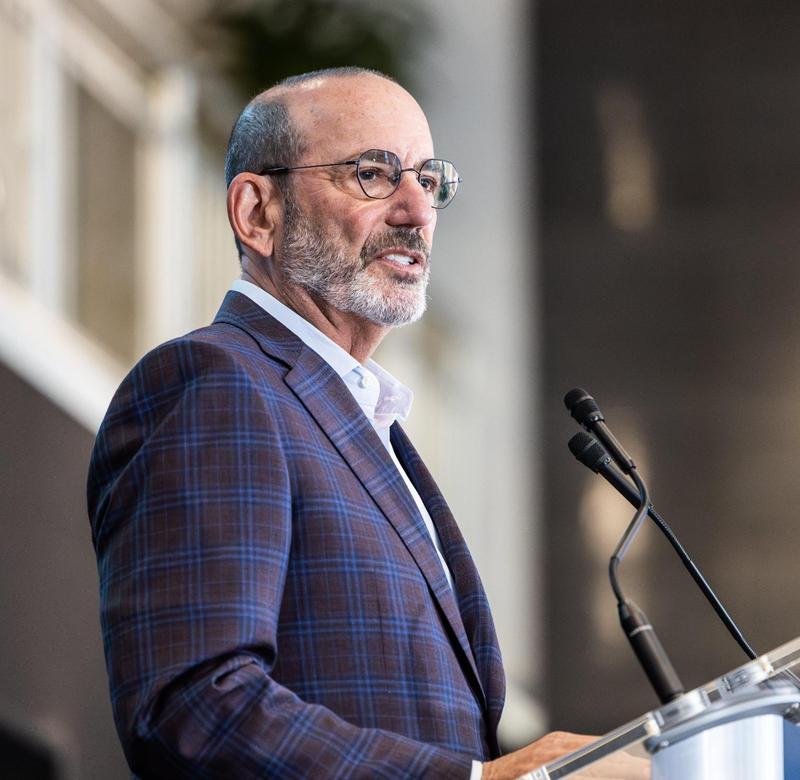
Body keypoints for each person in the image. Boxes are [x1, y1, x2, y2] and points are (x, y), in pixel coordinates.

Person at [86, 67, 611, 779]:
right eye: (373, 173)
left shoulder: (368, 424)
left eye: (429, 181)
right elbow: (193, 706)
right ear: (258, 214)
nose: (416, 210)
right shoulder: (215, 384)